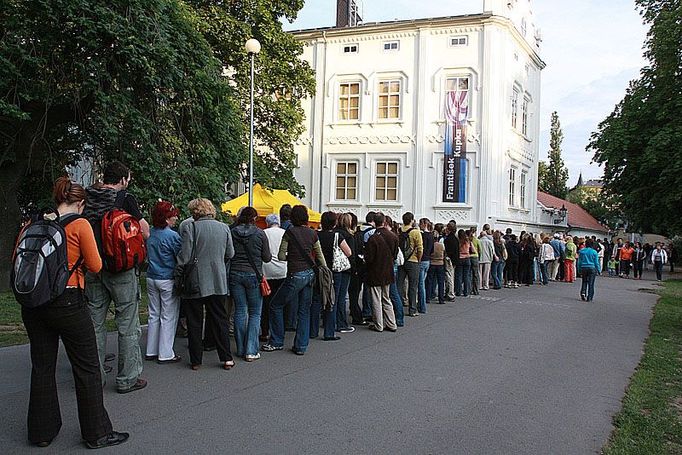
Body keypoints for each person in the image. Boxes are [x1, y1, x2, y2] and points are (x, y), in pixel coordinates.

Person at [21, 177, 128, 449]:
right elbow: (94, 265)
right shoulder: (79, 225)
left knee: (42, 366)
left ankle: (41, 432)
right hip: (68, 300)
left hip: (34, 303)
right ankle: (97, 433)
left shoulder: (33, 223)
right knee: (88, 367)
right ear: (80, 203)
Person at [84, 161, 148, 393]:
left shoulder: (86, 198)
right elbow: (144, 231)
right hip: (120, 269)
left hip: (92, 267)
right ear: (122, 180)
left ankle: (94, 377)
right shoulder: (124, 199)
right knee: (128, 324)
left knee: (94, 324)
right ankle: (127, 379)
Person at [177, 198, 235, 370]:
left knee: (195, 321)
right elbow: (230, 253)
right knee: (220, 319)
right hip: (218, 280)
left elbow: (185, 257)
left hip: (196, 280)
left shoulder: (190, 227)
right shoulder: (224, 227)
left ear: (195, 212)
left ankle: (196, 360)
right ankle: (226, 358)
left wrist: (178, 268)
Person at [263, 205, 326, 355]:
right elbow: (320, 256)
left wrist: (291, 256)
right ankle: (301, 346)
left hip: (294, 274)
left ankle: (277, 340)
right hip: (309, 275)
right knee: (304, 310)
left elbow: (281, 256)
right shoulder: (312, 233)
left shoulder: (289, 232)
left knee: (275, 305)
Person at [230, 206, 271, 362]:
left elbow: (228, 253)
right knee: (255, 313)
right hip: (254, 275)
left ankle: (240, 349)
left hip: (234, 274)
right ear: (254, 219)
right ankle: (251, 350)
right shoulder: (260, 234)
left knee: (240, 310)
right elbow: (266, 257)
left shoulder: (232, 232)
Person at [145, 201, 182, 364]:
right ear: (167, 218)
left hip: (151, 276)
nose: (176, 218)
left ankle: (151, 350)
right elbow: (179, 256)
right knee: (168, 316)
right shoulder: (172, 236)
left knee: (153, 314)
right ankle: (165, 353)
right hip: (167, 278)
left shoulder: (150, 233)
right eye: (173, 216)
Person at [312, 211, 351, 341]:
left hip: (319, 269)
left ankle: (313, 330)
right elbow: (348, 252)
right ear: (334, 223)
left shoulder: (316, 235)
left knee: (316, 299)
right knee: (331, 300)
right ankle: (329, 332)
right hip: (334, 271)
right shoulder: (337, 236)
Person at [365, 213, 399, 332]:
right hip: (388, 270)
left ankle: (378, 324)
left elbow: (369, 258)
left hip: (375, 271)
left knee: (376, 299)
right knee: (386, 298)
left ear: (374, 222)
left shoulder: (373, 238)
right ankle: (391, 323)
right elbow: (395, 255)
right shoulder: (393, 236)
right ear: (384, 221)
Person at [261, 214, 287, 342]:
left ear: (267, 222)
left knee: (265, 304)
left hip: (266, 271)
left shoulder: (263, 233)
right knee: (279, 304)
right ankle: (279, 330)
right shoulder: (285, 233)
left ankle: (265, 331)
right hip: (283, 271)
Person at [398, 212, 424, 316]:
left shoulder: (399, 231)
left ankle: (398, 307)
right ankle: (412, 309)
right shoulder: (416, 232)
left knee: (399, 285)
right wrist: (418, 259)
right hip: (413, 261)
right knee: (413, 286)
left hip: (401, 261)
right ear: (412, 220)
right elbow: (420, 248)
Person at [334, 213, 356, 333]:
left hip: (333, 267)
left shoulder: (335, 233)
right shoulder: (348, 235)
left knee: (334, 296)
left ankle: (332, 321)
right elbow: (350, 254)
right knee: (341, 296)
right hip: (344, 268)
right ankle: (341, 322)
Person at [417, 218, 434, 313]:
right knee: (422, 282)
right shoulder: (431, 235)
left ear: (424, 224)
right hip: (428, 260)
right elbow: (432, 250)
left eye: (420, 224)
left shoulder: (422, 236)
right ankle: (421, 304)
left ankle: (422, 306)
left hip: (422, 260)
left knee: (420, 284)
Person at [428, 224, 447, 303]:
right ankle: (441, 298)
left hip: (432, 263)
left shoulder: (431, 245)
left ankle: (428, 297)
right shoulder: (441, 245)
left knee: (429, 281)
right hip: (440, 263)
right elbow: (444, 254)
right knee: (440, 282)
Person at [443, 221, 459, 299]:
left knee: (449, 276)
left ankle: (450, 293)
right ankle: (449, 292)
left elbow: (448, 251)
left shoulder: (448, 239)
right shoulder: (455, 238)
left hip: (449, 259)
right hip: (454, 259)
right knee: (451, 276)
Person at [455, 229, 472, 296]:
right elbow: (472, 249)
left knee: (459, 276)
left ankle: (458, 291)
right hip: (467, 258)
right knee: (466, 276)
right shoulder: (467, 241)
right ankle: (466, 291)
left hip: (460, 258)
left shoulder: (458, 241)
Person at [469, 228, 481, 295]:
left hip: (468, 257)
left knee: (469, 274)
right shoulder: (476, 240)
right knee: (475, 274)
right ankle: (476, 290)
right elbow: (480, 250)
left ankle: (469, 289)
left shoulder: (467, 239)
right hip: (475, 257)